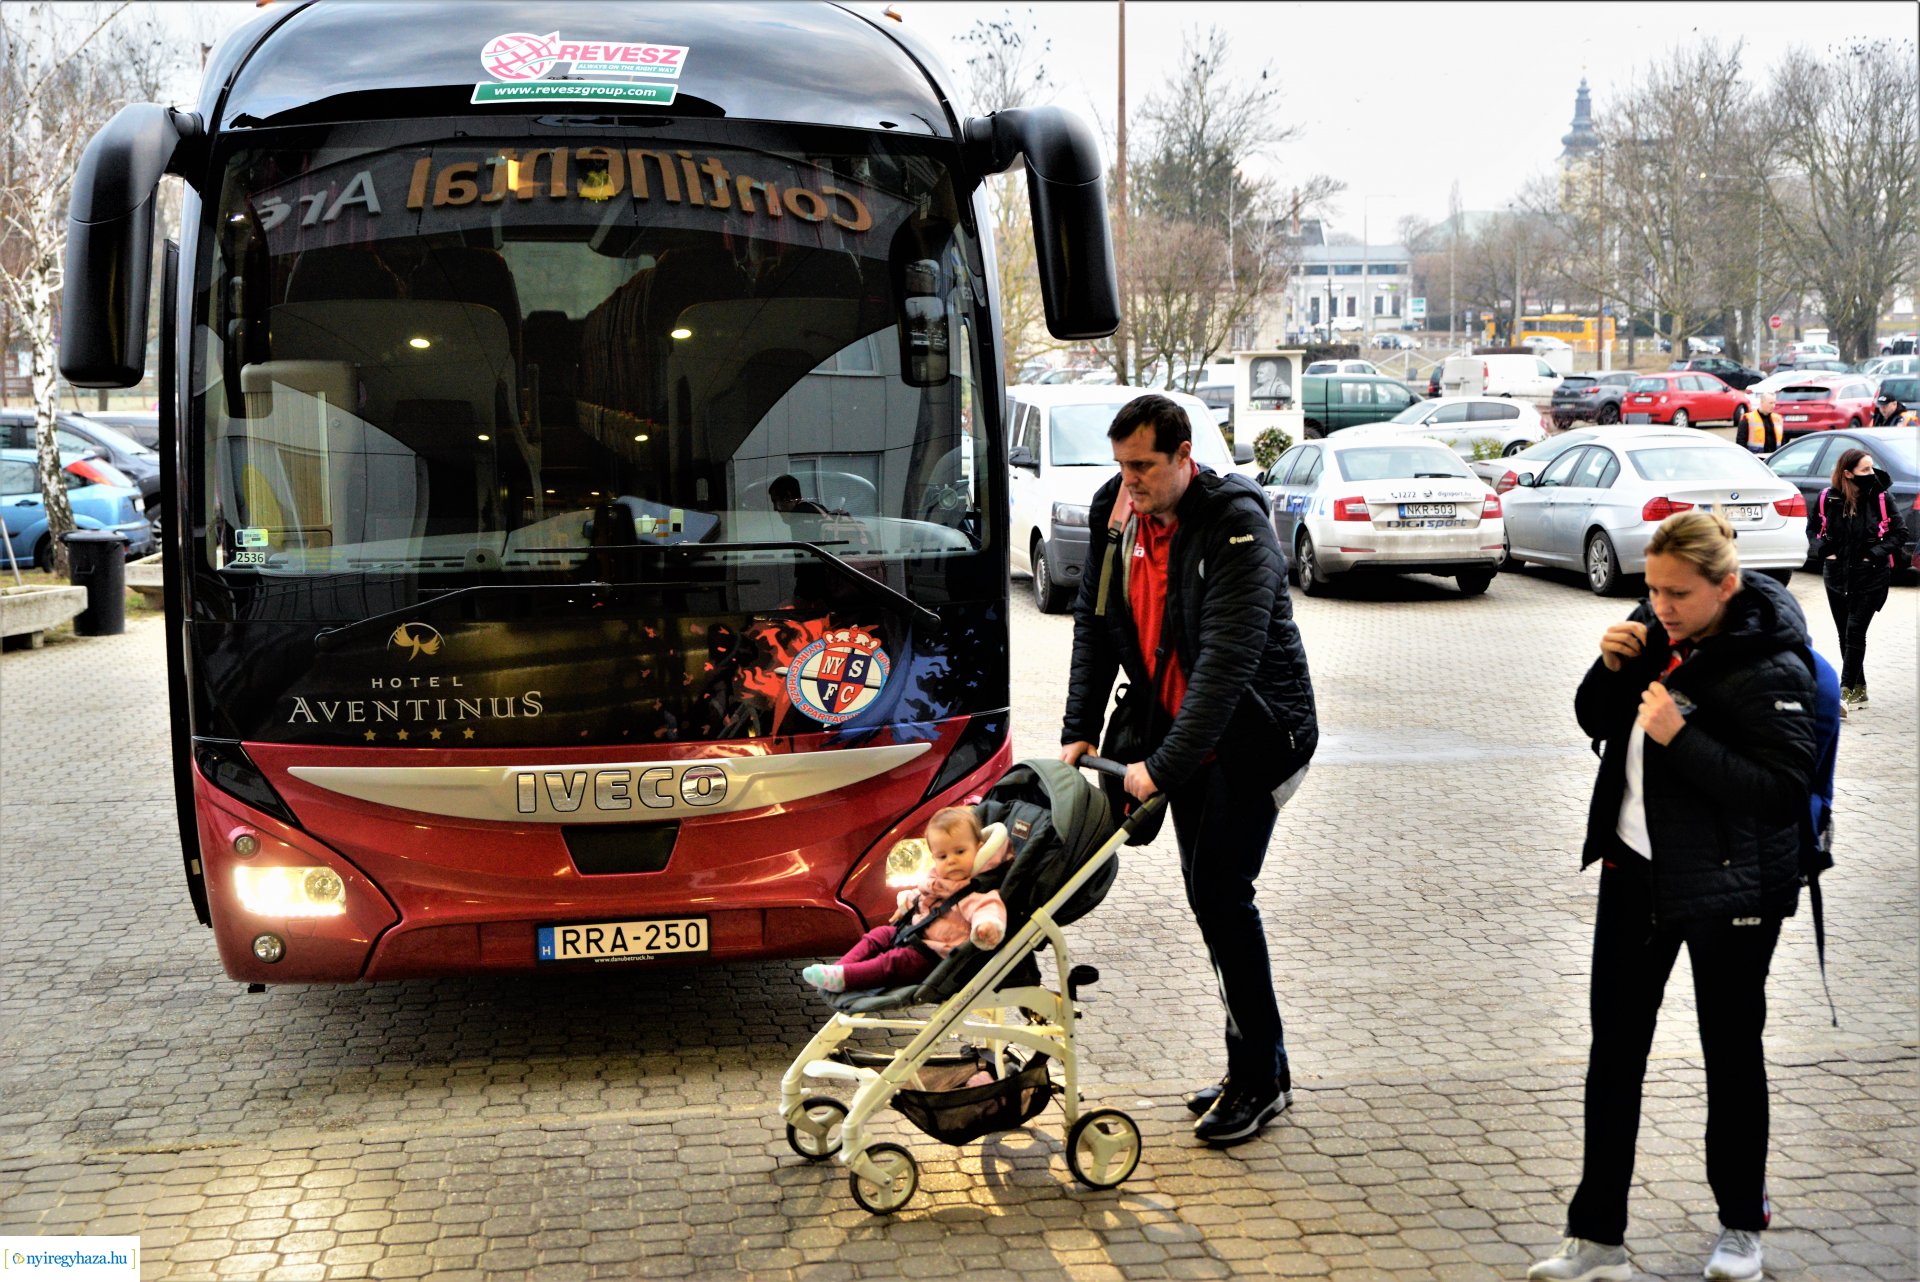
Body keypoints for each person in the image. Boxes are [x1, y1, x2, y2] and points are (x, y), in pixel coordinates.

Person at [1530, 511, 1818, 1282]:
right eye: (1651, 589)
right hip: (1634, 875)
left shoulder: (1772, 666)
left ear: (1726, 586)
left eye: (1678, 594)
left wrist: (1680, 738)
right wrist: (1609, 667)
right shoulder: (1650, 629)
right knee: (1613, 1056)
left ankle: (1739, 1229)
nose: (1659, 606)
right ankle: (1596, 1239)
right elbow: (1594, 719)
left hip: (1730, 888)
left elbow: (1782, 792)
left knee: (1731, 1056)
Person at [1058, 393, 1317, 1146]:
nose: (1128, 481)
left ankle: (1260, 1082)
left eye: (1142, 466)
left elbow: (1226, 671)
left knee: (1221, 894)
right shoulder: (1118, 510)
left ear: (1182, 456)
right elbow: (1093, 620)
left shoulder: (1238, 527)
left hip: (1254, 739)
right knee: (1212, 903)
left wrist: (1159, 770)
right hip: (1185, 738)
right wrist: (1079, 728)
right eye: (1120, 465)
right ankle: (1260, 1062)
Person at [800, 807, 1008, 993]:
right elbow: (922, 896)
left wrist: (987, 926)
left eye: (960, 852)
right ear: (935, 858)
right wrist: (907, 904)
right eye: (942, 856)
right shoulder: (938, 880)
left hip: (935, 957)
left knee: (892, 962)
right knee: (880, 934)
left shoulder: (975, 892)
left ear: (979, 848)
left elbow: (987, 910)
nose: (951, 860)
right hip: (915, 936)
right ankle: (840, 968)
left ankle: (846, 978)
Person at [1813, 447, 1909, 710]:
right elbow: (1813, 530)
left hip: (1871, 576)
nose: (1871, 473)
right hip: (1836, 577)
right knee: (1845, 633)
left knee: (1855, 632)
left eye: (1871, 467)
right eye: (1864, 470)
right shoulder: (1828, 499)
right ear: (1847, 473)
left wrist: (1872, 555)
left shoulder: (1881, 497)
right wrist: (1826, 552)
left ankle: (1843, 693)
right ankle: (1860, 688)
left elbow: (1900, 533)